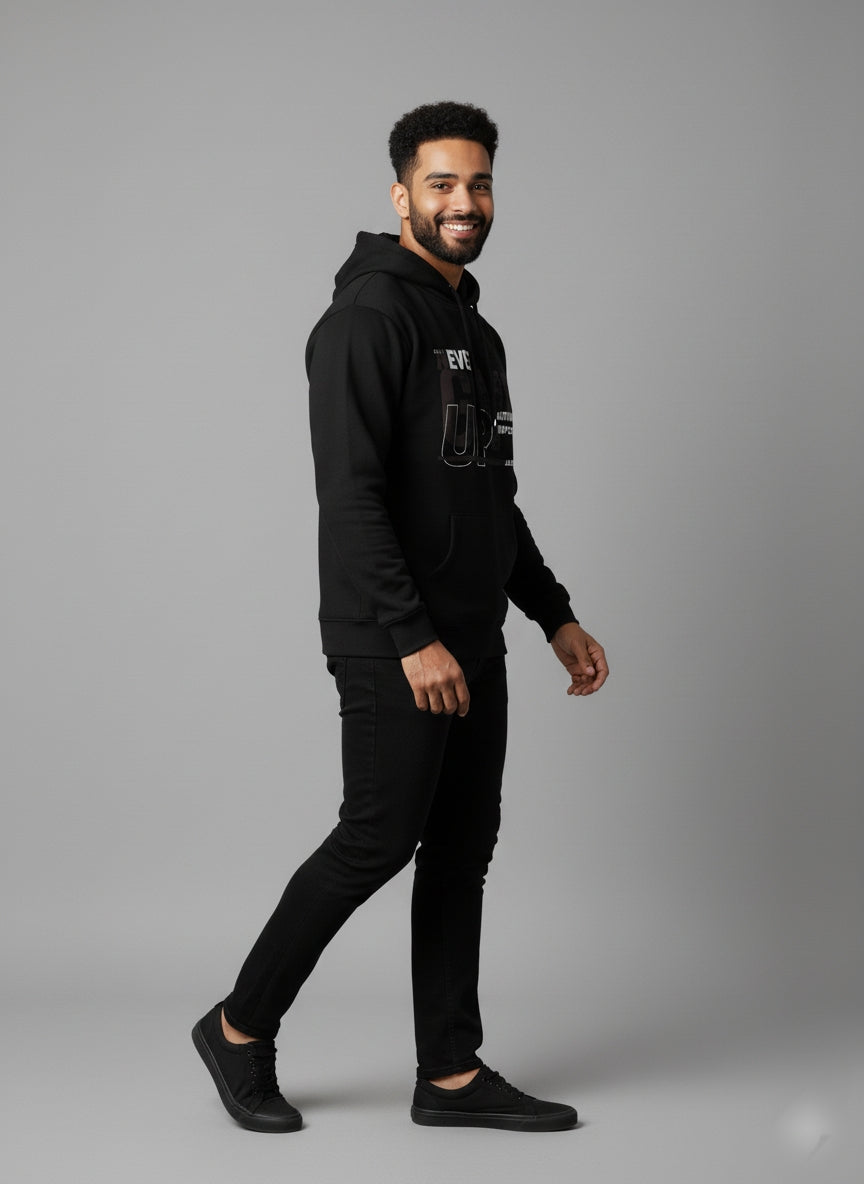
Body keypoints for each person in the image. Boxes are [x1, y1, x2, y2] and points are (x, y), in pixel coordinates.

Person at [192, 100, 609, 1135]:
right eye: (442, 184)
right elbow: (351, 497)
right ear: (401, 195)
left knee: (463, 847)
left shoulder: (479, 331)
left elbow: (491, 493)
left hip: (474, 637)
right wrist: (413, 636)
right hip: (394, 638)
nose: (464, 202)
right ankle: (238, 1027)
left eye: (479, 184)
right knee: (377, 836)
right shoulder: (367, 320)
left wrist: (553, 615)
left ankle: (451, 1073)